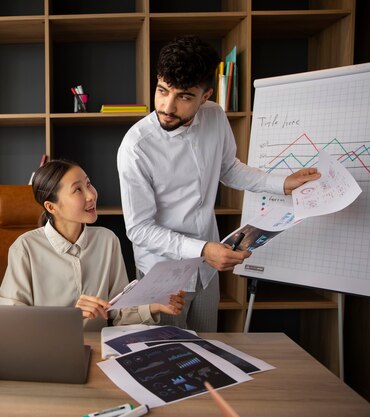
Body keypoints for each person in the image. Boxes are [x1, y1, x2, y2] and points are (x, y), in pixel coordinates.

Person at [116, 36, 320, 332]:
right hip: (163, 274)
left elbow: (228, 169)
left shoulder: (215, 116)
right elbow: (139, 228)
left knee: (208, 347)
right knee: (172, 358)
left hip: (207, 269)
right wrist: (203, 249)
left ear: (206, 95)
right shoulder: (136, 147)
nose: (167, 106)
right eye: (162, 90)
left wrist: (282, 184)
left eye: (184, 96)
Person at [0, 159, 185, 331]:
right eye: (78, 189)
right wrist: (70, 317)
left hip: (99, 348)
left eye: (88, 184)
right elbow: (13, 321)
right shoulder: (25, 248)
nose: (91, 195)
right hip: (47, 350)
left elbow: (118, 310)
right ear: (51, 207)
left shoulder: (107, 240)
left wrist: (155, 306)